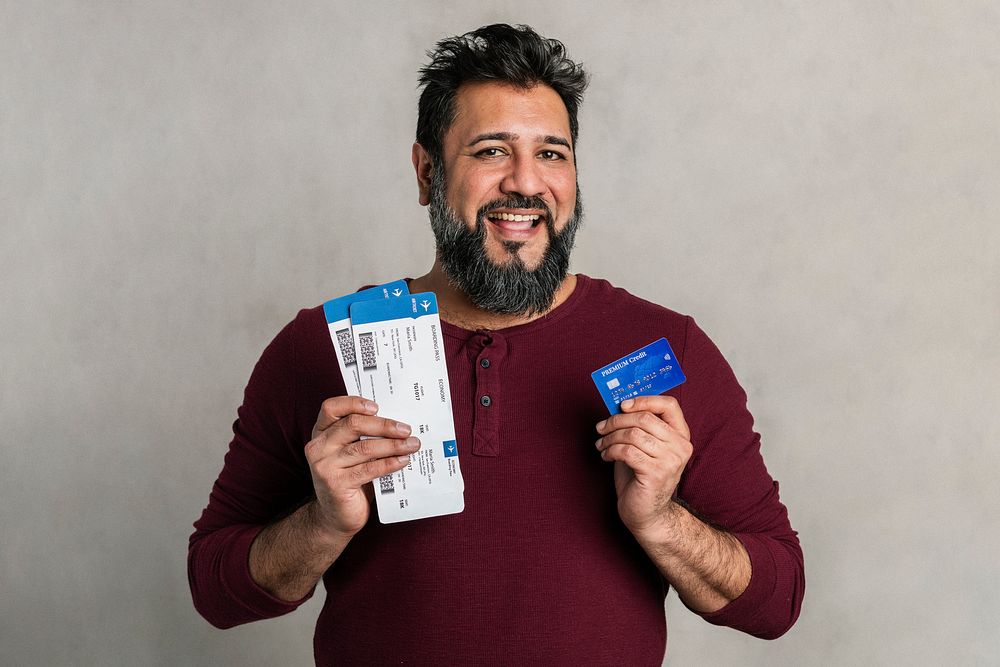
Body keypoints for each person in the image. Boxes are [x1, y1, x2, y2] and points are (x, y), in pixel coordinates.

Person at [189, 23, 804, 665]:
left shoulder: (663, 346)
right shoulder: (317, 347)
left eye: (551, 154)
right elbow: (214, 590)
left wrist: (660, 522)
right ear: (427, 173)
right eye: (490, 151)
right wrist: (323, 524)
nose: (525, 184)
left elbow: (778, 600)